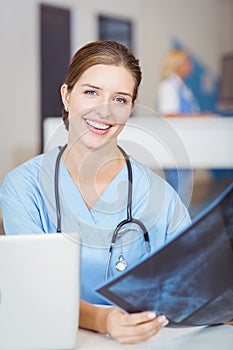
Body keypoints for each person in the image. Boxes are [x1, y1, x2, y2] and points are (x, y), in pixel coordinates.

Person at [0, 40, 191, 344]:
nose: (104, 111)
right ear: (66, 96)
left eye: (120, 99)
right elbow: (33, 290)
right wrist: (104, 319)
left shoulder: (160, 197)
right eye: (91, 92)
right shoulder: (23, 188)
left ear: (131, 108)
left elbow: (196, 289)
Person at [157, 49, 200, 206]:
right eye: (186, 62)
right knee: (179, 191)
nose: (190, 65)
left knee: (183, 190)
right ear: (176, 64)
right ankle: (177, 229)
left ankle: (180, 227)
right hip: (176, 146)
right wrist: (199, 118)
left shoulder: (182, 87)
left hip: (185, 145)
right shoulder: (168, 86)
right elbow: (168, 115)